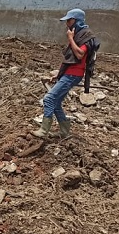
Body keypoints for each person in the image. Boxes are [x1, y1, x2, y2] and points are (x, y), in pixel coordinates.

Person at [33, 8, 97, 139]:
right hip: (69, 73)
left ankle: (44, 130)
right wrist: (59, 74)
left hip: (74, 74)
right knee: (55, 103)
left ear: (76, 21)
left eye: (69, 20)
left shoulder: (85, 36)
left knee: (49, 98)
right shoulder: (79, 35)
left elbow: (79, 55)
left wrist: (70, 39)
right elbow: (69, 59)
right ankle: (64, 131)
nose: (67, 23)